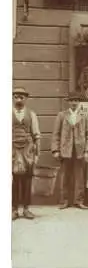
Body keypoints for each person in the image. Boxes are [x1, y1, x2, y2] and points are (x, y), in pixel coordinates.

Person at [51, 91, 88, 210]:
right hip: (65, 150)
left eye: (76, 100)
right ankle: (65, 200)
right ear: (68, 102)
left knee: (79, 176)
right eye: (71, 101)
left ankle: (78, 201)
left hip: (80, 150)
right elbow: (56, 133)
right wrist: (55, 149)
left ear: (79, 102)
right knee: (65, 176)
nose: (74, 103)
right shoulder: (61, 115)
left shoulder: (85, 116)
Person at [12, 87, 41, 220]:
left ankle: (26, 209)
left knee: (27, 179)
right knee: (12, 180)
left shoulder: (32, 114)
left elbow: (37, 135)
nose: (19, 99)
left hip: (27, 150)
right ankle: (13, 209)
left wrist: (37, 154)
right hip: (11, 150)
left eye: (21, 97)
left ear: (26, 99)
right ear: (13, 98)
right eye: (16, 96)